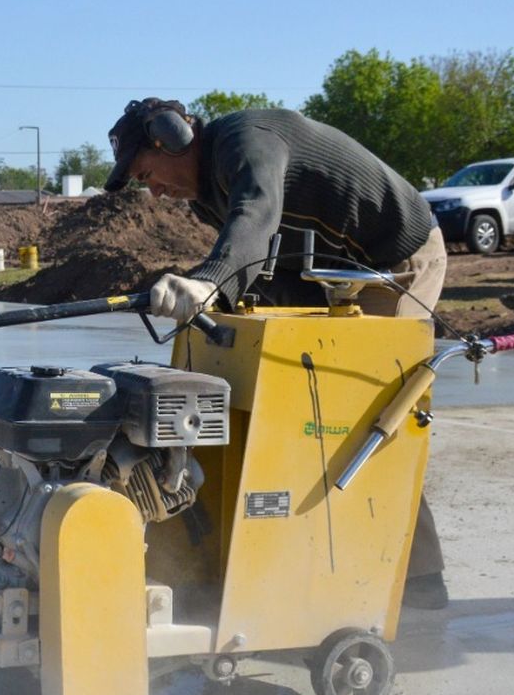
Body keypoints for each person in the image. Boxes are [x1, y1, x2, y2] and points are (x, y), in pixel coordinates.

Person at [104, 98, 449, 608]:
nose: (152, 190)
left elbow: (256, 218)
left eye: (147, 173)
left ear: (172, 137)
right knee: (279, 408)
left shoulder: (247, 140)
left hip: (391, 265)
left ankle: (419, 581)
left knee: (359, 421)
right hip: (319, 274)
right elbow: (263, 259)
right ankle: (273, 564)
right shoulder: (203, 195)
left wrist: (205, 283)